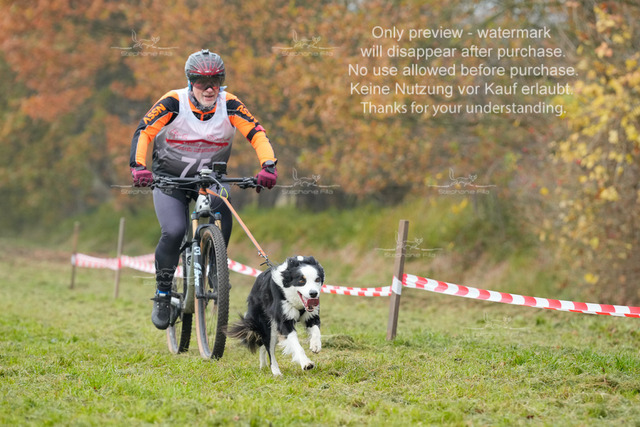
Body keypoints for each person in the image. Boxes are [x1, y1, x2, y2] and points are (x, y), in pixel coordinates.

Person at [129, 49, 277, 330]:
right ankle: (163, 292)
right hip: (170, 180)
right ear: (190, 82)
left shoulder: (229, 104)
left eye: (216, 81)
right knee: (174, 231)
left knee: (223, 207)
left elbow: (257, 133)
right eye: (201, 81)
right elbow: (145, 131)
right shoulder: (173, 102)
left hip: (210, 179)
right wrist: (138, 167)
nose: (209, 88)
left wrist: (268, 166)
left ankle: (216, 266)